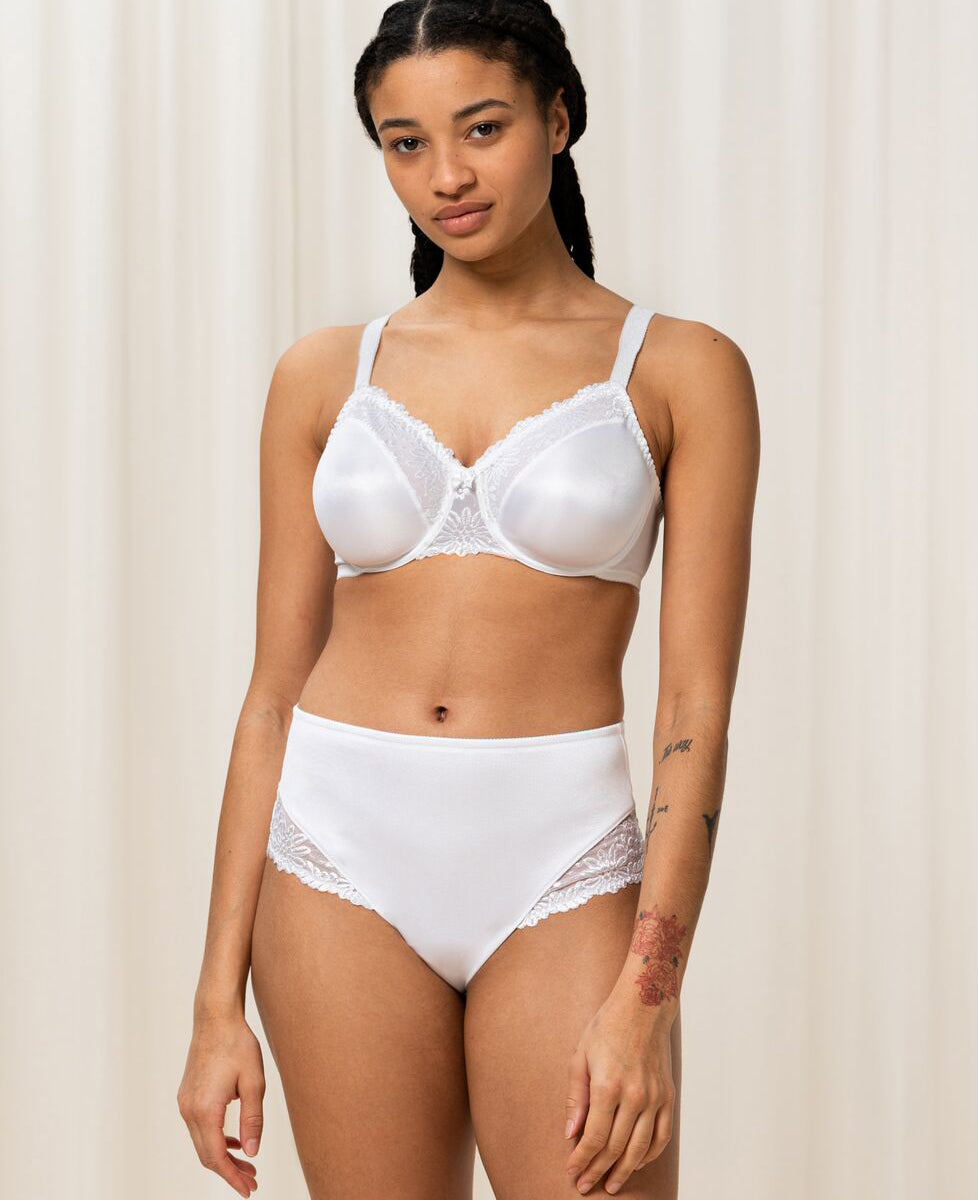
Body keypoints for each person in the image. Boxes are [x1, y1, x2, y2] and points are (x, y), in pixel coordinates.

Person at [177, 3, 759, 1197]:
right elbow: (271, 697)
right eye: (406, 143)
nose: (446, 175)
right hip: (334, 856)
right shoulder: (323, 375)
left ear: (558, 117)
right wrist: (212, 1005)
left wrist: (649, 998)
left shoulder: (679, 369)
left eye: (482, 128)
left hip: (562, 860)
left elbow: (693, 708)